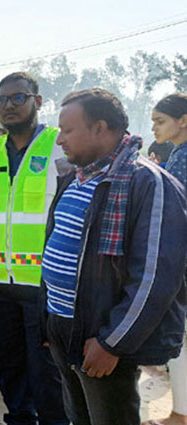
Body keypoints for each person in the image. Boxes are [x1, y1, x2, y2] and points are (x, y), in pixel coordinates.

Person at [42, 88, 187, 425]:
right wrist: (48, 322)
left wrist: (112, 343)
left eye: (67, 130)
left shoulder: (146, 183)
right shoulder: (76, 178)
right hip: (64, 325)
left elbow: (155, 277)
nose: (60, 140)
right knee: (78, 416)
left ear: (100, 128)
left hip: (102, 336)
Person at [0, 72, 68, 425]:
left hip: (44, 285)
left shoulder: (59, 147)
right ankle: (19, 419)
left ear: (37, 102)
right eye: (2, 100)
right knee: (9, 366)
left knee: (47, 372)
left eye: (18, 98)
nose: (8, 106)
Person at [147, 93, 187, 425]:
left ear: (183, 120)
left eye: (160, 121)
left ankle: (180, 413)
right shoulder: (178, 155)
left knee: (183, 341)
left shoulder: (182, 158)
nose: (155, 128)